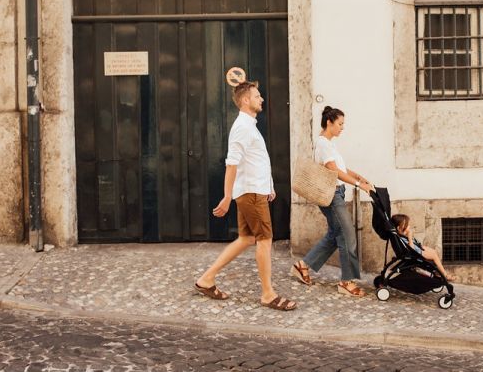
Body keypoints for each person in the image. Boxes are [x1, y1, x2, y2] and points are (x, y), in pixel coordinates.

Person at [195, 81, 297, 311]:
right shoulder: (242, 127)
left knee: (247, 239)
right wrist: (226, 196)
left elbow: (256, 160)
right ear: (245, 100)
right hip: (251, 193)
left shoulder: (249, 125)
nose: (261, 99)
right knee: (264, 240)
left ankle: (206, 279)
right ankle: (268, 294)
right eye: (257, 96)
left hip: (255, 189)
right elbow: (232, 163)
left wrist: (268, 185)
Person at [290, 106, 375, 297]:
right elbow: (334, 171)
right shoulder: (323, 144)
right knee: (347, 236)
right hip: (331, 195)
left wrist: (359, 178)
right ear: (329, 122)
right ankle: (346, 282)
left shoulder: (330, 143)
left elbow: (341, 168)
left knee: (334, 235)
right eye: (340, 124)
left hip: (337, 193)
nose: (342, 128)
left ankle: (302, 266)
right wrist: (359, 185)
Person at [390, 213, 457, 282]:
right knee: (434, 256)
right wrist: (409, 237)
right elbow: (411, 249)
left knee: (434, 251)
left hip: (416, 250)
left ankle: (436, 271)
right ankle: (445, 275)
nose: (409, 227)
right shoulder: (401, 238)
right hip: (415, 253)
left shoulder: (400, 236)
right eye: (407, 225)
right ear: (399, 228)